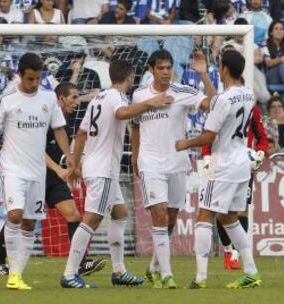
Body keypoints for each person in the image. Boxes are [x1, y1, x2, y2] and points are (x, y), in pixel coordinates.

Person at [61, 60, 173, 288]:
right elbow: (122, 113)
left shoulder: (97, 98)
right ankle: (70, 274)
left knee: (120, 213)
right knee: (92, 219)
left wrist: (75, 163)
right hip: (103, 169)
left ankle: (119, 270)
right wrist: (152, 101)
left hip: (96, 165)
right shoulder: (118, 98)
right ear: (130, 77)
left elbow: (81, 134)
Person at [0, 82, 106, 277]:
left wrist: (72, 164)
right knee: (16, 216)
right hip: (34, 172)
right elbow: (36, 150)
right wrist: (59, 168)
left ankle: (80, 263)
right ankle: (0, 263)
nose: (77, 102)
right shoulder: (42, 117)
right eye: (74, 97)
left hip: (52, 177)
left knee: (73, 215)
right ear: (61, 99)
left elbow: (59, 150)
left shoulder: (64, 122)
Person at [0, 53, 70, 290]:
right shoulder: (7, 99)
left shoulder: (49, 98)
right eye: (30, 79)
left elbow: (59, 129)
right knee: (15, 215)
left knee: (30, 224)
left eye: (38, 79)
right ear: (20, 74)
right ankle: (11, 271)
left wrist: (70, 157)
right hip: (12, 169)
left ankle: (17, 274)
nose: (34, 84)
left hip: (37, 172)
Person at [175, 49, 261, 289]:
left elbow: (209, 136)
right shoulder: (247, 94)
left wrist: (185, 143)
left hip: (222, 165)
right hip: (242, 164)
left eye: (219, 66)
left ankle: (201, 278)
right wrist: (204, 76)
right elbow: (218, 104)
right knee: (229, 217)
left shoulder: (225, 99)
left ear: (224, 69)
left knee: (204, 216)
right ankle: (251, 271)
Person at [131, 49, 216, 289]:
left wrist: (203, 75)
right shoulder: (140, 95)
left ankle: (154, 267)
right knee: (158, 214)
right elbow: (135, 127)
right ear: (151, 70)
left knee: (170, 219)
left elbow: (213, 103)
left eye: (169, 67)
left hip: (177, 163)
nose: (166, 72)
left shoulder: (183, 92)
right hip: (150, 163)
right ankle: (166, 275)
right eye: (161, 68)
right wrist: (136, 158)